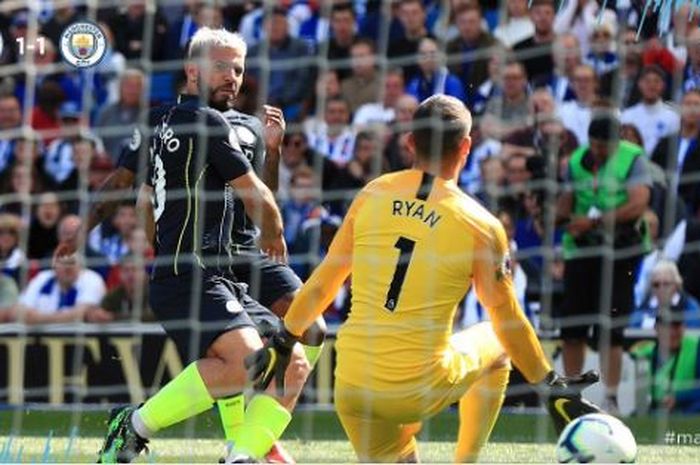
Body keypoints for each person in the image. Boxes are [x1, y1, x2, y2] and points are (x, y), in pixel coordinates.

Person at [245, 95, 602, 462]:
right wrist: (548, 385)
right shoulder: (481, 225)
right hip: (419, 389)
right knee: (496, 340)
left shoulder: (373, 193)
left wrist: (285, 338)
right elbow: (506, 317)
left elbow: (324, 280)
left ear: (410, 142)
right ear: (466, 146)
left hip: (352, 387)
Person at [91, 28, 310, 463]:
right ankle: (149, 427)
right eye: (223, 66)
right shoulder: (171, 120)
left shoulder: (241, 126)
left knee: (296, 357)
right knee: (248, 360)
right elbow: (137, 192)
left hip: (235, 266)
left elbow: (262, 191)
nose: (234, 76)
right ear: (193, 70)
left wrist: (274, 154)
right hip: (188, 268)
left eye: (239, 69)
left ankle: (244, 450)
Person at [557, 113, 652, 413]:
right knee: (572, 327)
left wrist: (594, 221)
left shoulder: (633, 158)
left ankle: (610, 397)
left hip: (621, 249)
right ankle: (571, 392)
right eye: (594, 145)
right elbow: (566, 203)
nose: (598, 151)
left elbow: (639, 202)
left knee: (612, 326)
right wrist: (557, 216)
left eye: (604, 146)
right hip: (582, 251)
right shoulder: (576, 161)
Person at [632, 305, 700, 413]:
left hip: (687, 412)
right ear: (656, 328)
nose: (672, 333)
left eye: (676, 326)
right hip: (654, 413)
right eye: (667, 327)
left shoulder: (696, 348)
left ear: (684, 327)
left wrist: (678, 398)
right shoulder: (643, 352)